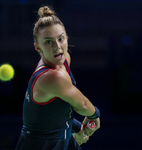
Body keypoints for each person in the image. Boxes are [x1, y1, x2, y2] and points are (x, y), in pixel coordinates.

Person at [15, 6, 100, 150]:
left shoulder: (64, 59)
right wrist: (94, 115)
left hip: (61, 139)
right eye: (48, 42)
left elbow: (52, 112)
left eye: (61, 39)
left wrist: (77, 129)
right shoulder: (53, 77)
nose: (57, 47)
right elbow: (83, 105)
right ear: (38, 47)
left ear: (67, 37)